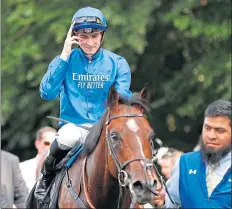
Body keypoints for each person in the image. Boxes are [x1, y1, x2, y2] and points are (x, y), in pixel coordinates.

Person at [35, 6, 132, 201]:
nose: (89, 42)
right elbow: (47, 93)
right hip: (74, 128)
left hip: (104, 128)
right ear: (74, 36)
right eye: (83, 37)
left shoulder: (118, 63)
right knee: (68, 136)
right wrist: (63, 56)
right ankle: (45, 178)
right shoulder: (65, 61)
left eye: (94, 36)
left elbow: (121, 99)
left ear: (102, 35)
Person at [153, 99, 231, 208]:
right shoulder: (184, 163)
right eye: (207, 128)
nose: (211, 135)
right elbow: (170, 203)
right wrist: (162, 201)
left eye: (219, 130)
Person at [20, 126, 57, 191]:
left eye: (54, 144)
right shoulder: (21, 168)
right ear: (37, 143)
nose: (50, 148)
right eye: (47, 143)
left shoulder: (61, 171)